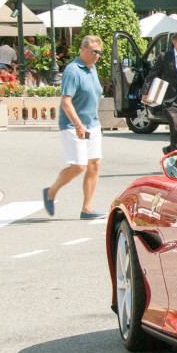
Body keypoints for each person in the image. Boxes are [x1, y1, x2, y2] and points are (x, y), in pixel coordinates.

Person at [43, 35, 105, 220]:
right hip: (73, 125)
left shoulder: (91, 69)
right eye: (94, 52)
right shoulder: (73, 71)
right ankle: (50, 192)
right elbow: (65, 101)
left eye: (99, 53)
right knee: (79, 166)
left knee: (94, 164)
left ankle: (87, 208)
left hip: (92, 124)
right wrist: (78, 125)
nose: (97, 56)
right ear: (83, 49)